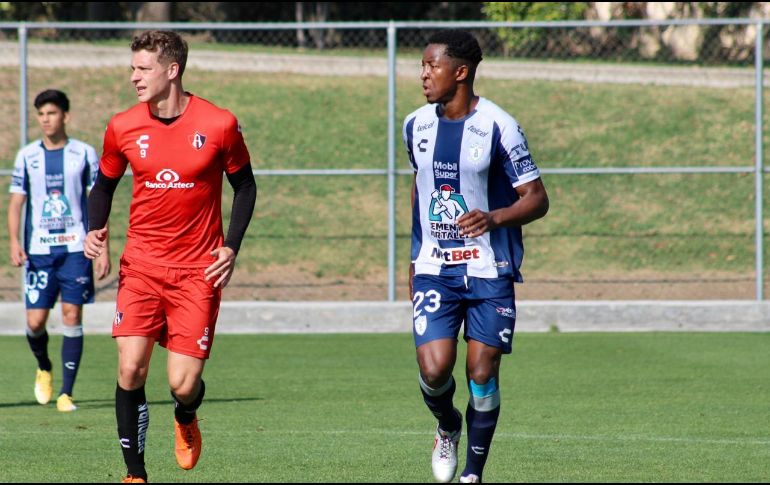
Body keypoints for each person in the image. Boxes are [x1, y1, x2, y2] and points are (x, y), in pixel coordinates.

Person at [83, 30, 257, 483]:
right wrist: (94, 231)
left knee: (182, 383)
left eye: (143, 68)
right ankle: (135, 474)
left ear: (172, 70)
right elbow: (103, 185)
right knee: (130, 366)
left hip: (197, 271)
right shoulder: (122, 125)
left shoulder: (219, 123)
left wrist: (231, 246)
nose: (134, 77)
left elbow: (245, 186)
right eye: (133, 68)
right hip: (141, 265)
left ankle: (185, 415)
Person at [403, 30, 549, 483]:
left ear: (460, 72)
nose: (424, 74)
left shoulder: (500, 126)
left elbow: (538, 199)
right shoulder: (415, 126)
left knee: (481, 373)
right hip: (434, 268)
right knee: (433, 369)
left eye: (432, 66)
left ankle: (472, 474)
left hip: (490, 269)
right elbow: (418, 189)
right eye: (422, 66)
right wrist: (412, 260)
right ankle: (448, 424)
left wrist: (495, 217)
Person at [8, 89, 111, 413]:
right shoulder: (27, 156)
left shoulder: (83, 153)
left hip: (75, 249)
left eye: (51, 113)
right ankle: (44, 365)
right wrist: (14, 242)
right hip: (39, 251)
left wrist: (103, 248)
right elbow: (16, 203)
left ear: (64, 116)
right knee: (35, 322)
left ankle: (66, 393)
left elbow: (98, 201)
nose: (45, 120)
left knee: (71, 315)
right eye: (41, 114)